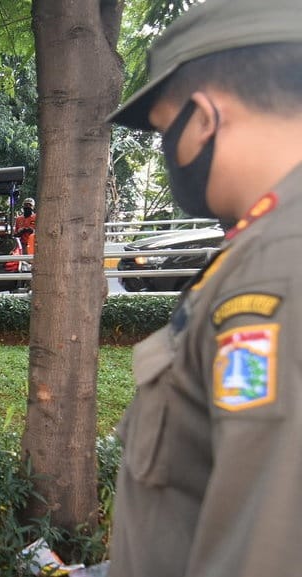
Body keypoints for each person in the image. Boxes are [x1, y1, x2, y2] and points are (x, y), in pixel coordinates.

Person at [106, 1, 302, 575]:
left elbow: (264, 546)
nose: (168, 154)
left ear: (207, 117)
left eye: (167, 131)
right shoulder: (266, 242)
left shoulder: (277, 267)